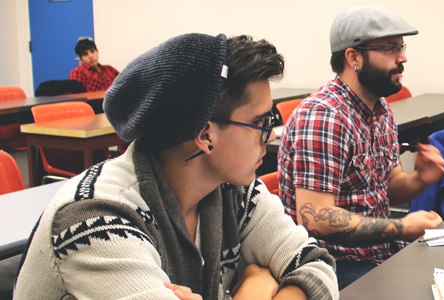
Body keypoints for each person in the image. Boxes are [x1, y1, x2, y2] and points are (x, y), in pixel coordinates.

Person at [15, 33, 338, 300]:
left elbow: (317, 265)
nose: (267, 137)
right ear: (204, 135)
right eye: (260, 122)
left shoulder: (235, 188)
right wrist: (258, 285)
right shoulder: (95, 216)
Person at [277, 5, 444, 289]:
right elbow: (315, 218)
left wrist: (418, 180)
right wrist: (403, 227)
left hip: (376, 254)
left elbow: (387, 186)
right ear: (353, 57)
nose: (403, 57)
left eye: (401, 46)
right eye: (391, 48)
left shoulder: (380, 109)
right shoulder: (324, 117)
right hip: (329, 264)